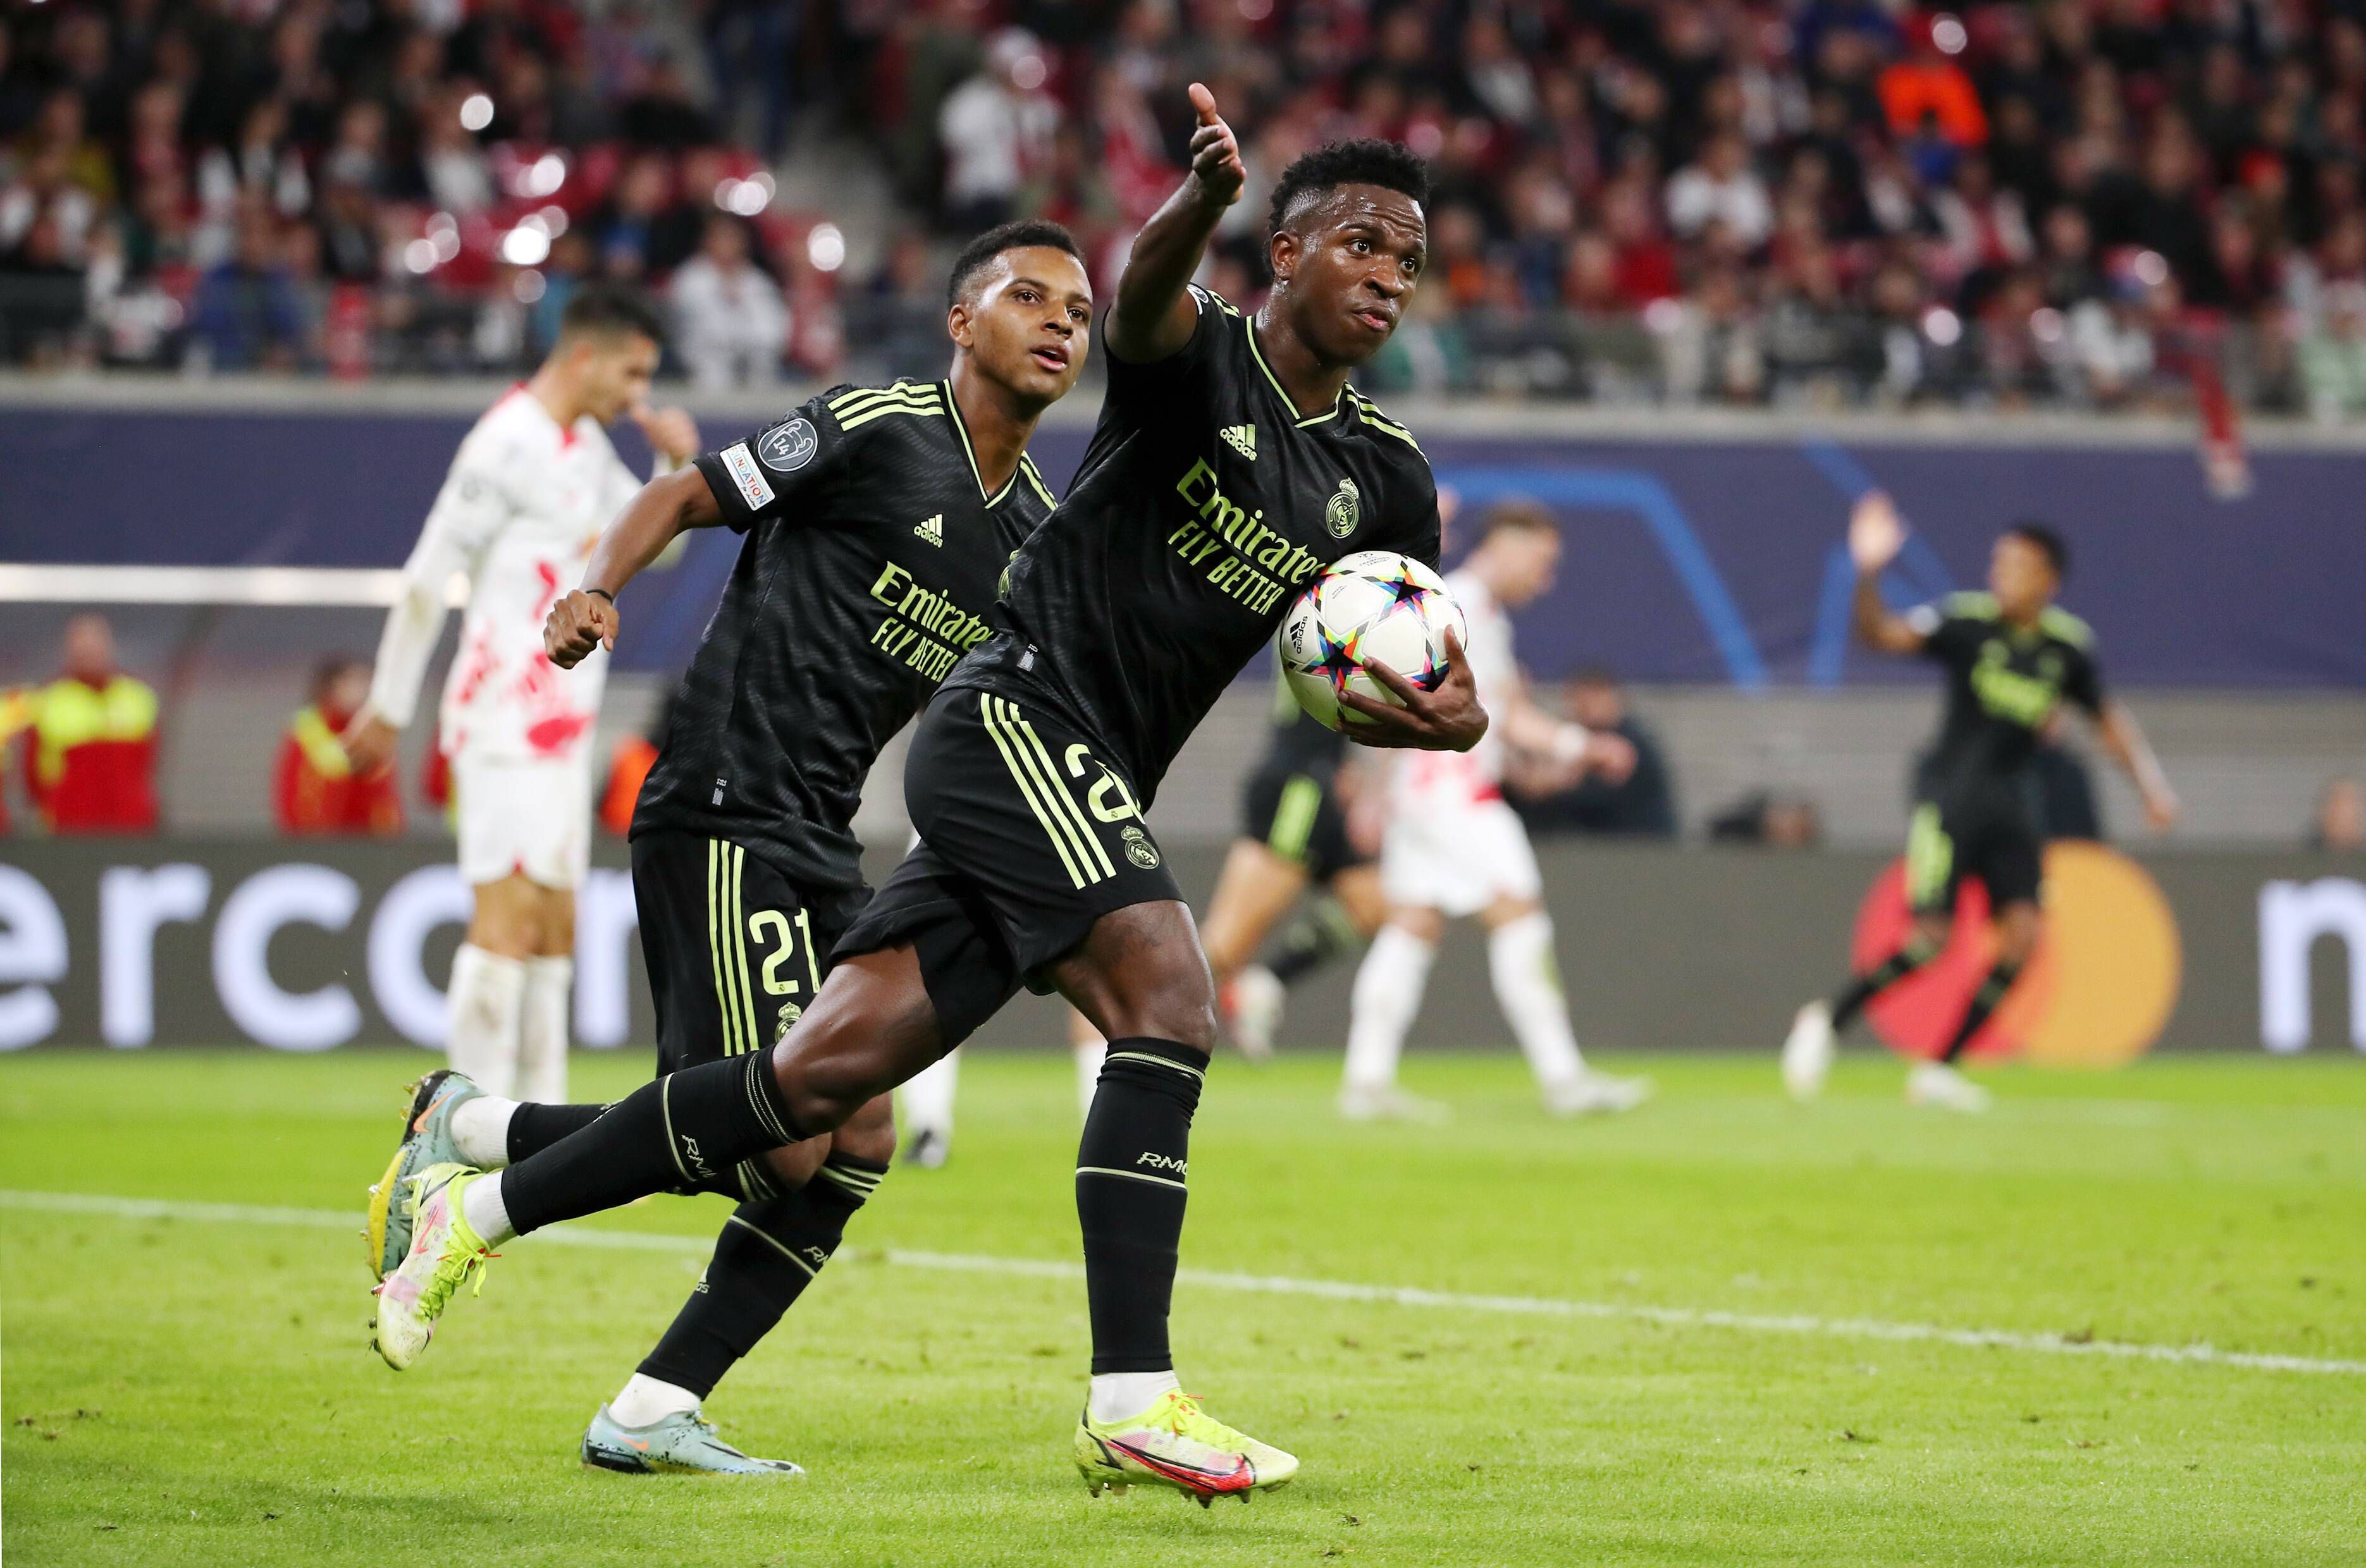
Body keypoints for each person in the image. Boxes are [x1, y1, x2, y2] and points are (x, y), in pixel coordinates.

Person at [369, 89, 1488, 1505]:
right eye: (1361, 242)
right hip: (1018, 720)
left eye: (1410, 253)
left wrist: (1448, 714)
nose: (1390, 272)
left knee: (822, 1098)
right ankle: (1136, 1396)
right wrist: (1192, 201)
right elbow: (1144, 293)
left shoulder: (1386, 479)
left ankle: (482, 1197)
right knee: (1171, 1000)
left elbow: (1409, 654)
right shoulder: (1189, 351)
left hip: (1075, 772)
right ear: (1285, 250)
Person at [365, 221, 1090, 1474]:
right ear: (963, 323)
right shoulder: (876, 423)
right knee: (780, 1133)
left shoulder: (1030, 524)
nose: (1059, 323)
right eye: (1027, 297)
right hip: (720, 794)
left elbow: (965, 713)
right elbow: (682, 490)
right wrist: (600, 585)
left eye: (1078, 311)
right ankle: (475, 1211)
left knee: (851, 1138)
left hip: (818, 829)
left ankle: (632, 1379)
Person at [344, 287, 700, 1105]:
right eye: (632, 373)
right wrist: (392, 705)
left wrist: (673, 471)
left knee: (552, 934)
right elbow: (428, 580)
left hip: (563, 727)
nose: (638, 393)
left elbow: (654, 553)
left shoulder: (582, 448)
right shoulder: (503, 444)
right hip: (504, 718)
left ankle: (540, 1137)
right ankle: (463, 1132)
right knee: (504, 924)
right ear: (583, 356)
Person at [1781, 493, 2179, 1111]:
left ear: (2048, 578)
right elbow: (1878, 635)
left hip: (2013, 809)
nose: (2000, 574)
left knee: (2024, 937)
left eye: (2016, 564)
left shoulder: (2068, 647)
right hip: (1949, 800)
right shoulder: (1966, 622)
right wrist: (1869, 570)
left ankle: (1940, 1067)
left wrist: (2152, 788)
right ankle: (1826, 1020)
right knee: (1931, 940)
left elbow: (2108, 721)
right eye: (1997, 561)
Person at [1339, 499, 1651, 1121]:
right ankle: (1563, 1078)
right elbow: (1507, 715)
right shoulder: (1470, 607)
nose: (1547, 577)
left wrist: (1379, 788)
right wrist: (1584, 744)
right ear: (1505, 547)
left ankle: (1365, 1081)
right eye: (1543, 561)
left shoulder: (1448, 602)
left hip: (1420, 791)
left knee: (1413, 925)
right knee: (1519, 914)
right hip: (1454, 791)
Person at [19, 614, 159, 834]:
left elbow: (148, 764)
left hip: (132, 826)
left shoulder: (138, 696)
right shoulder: (48, 700)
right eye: (81, 642)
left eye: (95, 640)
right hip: (70, 828)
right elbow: (33, 773)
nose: (88, 649)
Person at [1509, 667, 1677, 838]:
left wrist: (1543, 783)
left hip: (1644, 847)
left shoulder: (1632, 741)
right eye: (1581, 698)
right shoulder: (1579, 739)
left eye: (1596, 696)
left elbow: (1590, 794)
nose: (1588, 706)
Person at [274, 655, 402, 835]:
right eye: (355, 681)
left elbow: (384, 794)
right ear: (334, 686)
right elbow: (294, 791)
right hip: (314, 842)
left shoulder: (377, 734)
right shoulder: (307, 728)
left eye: (369, 682)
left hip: (368, 844)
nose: (364, 690)